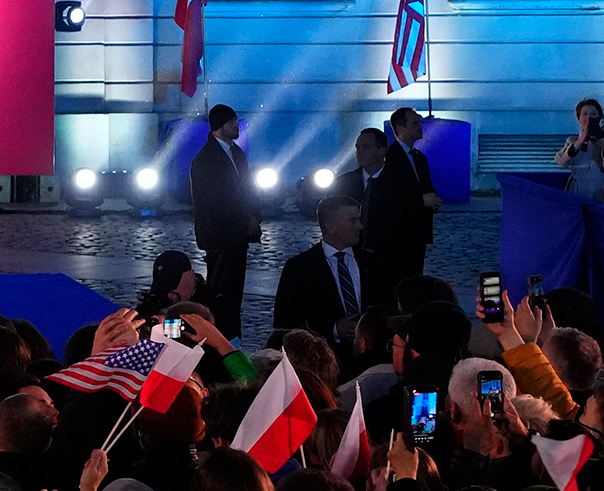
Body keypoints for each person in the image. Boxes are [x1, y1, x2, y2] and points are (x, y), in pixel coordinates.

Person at [186, 104, 260, 312]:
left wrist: (255, 215)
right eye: (232, 122)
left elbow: (248, 187)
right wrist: (246, 220)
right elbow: (214, 201)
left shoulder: (237, 153)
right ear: (219, 126)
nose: (237, 125)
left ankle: (231, 331)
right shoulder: (206, 159)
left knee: (235, 293)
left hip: (238, 236)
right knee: (220, 292)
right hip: (218, 236)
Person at [272, 197, 374, 342]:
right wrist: (333, 329)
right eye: (352, 220)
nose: (360, 226)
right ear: (331, 226)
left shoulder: (372, 264)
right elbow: (285, 323)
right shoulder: (299, 268)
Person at [375, 108, 443, 278]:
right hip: (398, 233)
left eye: (419, 122)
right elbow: (388, 193)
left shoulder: (419, 157)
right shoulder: (389, 158)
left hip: (418, 231)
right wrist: (420, 200)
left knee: (415, 274)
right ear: (401, 127)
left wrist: (432, 197)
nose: (420, 126)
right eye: (415, 123)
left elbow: (425, 185)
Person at [554, 97, 604, 200]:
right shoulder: (572, 140)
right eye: (585, 114)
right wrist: (578, 143)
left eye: (593, 114)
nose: (588, 118)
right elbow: (561, 161)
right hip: (578, 193)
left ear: (600, 118)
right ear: (579, 118)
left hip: (603, 193)